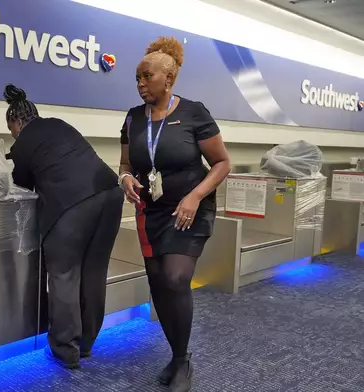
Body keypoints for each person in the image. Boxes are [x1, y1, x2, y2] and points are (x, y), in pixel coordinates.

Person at [118, 37, 231, 391]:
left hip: (189, 209)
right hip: (150, 211)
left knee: (175, 277)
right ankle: (177, 353)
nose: (139, 85)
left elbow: (222, 163)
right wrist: (124, 178)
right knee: (158, 283)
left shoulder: (194, 112)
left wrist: (196, 196)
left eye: (146, 77)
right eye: (136, 78)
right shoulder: (134, 118)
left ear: (168, 78)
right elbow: (125, 163)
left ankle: (182, 361)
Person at [4, 84, 124, 370]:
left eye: (11, 130)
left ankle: (64, 349)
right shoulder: (58, 124)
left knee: (64, 275)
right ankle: (86, 345)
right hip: (110, 193)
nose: (13, 135)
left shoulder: (23, 143)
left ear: (17, 122)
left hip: (71, 206)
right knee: (94, 272)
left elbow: (22, 188)